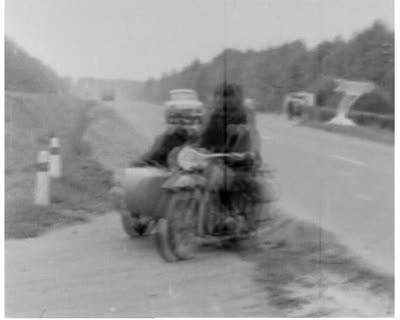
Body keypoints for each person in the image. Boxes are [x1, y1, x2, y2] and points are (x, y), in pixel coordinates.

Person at [199, 83, 268, 231]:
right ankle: (207, 213)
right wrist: (197, 148)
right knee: (203, 175)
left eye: (225, 96)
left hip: (241, 160)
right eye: (218, 96)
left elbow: (252, 135)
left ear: (234, 98)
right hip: (219, 158)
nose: (220, 100)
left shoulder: (244, 114)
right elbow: (205, 136)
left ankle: (230, 215)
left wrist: (249, 152)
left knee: (229, 180)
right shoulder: (215, 116)